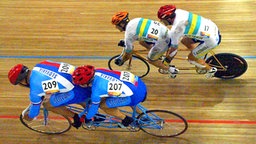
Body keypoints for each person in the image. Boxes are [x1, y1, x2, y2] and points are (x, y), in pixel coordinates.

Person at [8, 60, 92, 129]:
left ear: (22, 81)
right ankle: (90, 109)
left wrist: (28, 117)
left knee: (47, 104)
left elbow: (34, 113)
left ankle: (75, 118)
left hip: (78, 90)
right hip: (85, 77)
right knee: (65, 92)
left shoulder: (35, 90)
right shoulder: (41, 64)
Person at [157, 5, 222, 78]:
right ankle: (199, 55)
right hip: (211, 28)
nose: (162, 22)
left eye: (163, 20)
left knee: (191, 59)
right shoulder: (178, 12)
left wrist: (166, 62)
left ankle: (210, 69)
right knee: (185, 41)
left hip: (211, 40)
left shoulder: (176, 29)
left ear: (169, 19)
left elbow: (173, 51)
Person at [72, 65, 147, 127]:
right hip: (139, 85)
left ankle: (125, 119)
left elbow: (94, 108)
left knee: (103, 105)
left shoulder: (97, 91)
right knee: (119, 94)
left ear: (86, 83)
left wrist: (87, 118)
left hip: (134, 95)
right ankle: (144, 115)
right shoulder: (99, 70)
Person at [111, 11, 179, 78]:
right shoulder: (135, 20)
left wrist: (121, 60)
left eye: (116, 25)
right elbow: (137, 34)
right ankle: (159, 55)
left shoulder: (129, 35)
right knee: (142, 42)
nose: (116, 27)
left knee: (150, 59)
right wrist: (126, 42)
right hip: (167, 32)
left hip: (163, 41)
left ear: (122, 24)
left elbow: (128, 54)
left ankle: (170, 70)